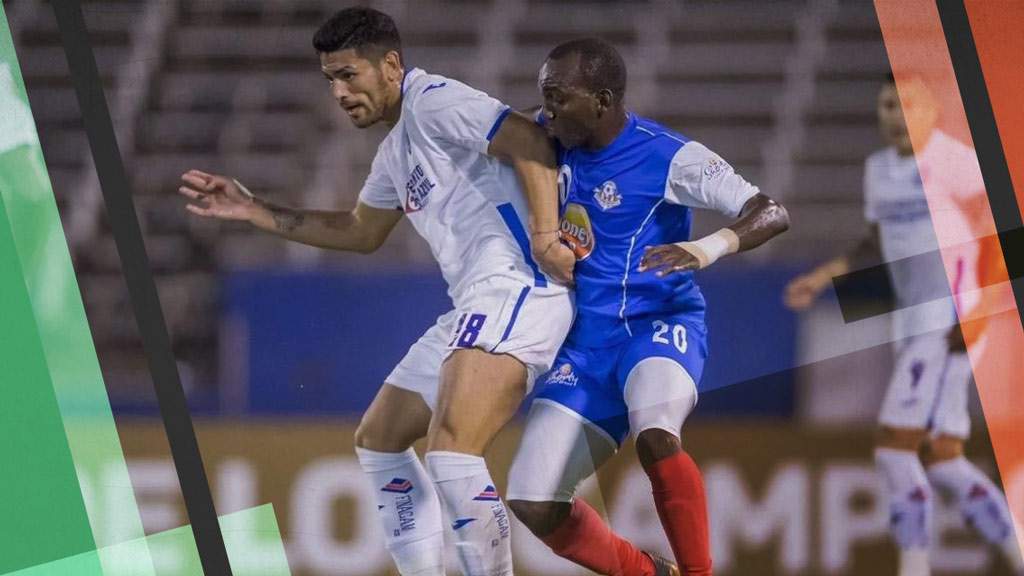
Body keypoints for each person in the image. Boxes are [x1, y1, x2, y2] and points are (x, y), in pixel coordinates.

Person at [178, 7, 574, 576]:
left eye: (348, 75)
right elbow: (360, 232)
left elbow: (530, 139)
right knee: (380, 437)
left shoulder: (432, 99)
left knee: (452, 452)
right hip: (478, 303)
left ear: (390, 65)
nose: (337, 92)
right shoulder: (395, 151)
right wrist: (253, 209)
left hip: (519, 289)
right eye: (329, 80)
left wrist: (543, 237)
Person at [504, 38, 790, 576]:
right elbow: (493, 129)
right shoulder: (546, 138)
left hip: (658, 327)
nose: (547, 110)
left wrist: (706, 248)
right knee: (532, 500)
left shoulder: (668, 156)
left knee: (655, 433)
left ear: (603, 100)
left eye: (558, 98)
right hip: (585, 348)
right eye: (544, 97)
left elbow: (770, 211)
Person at [784, 73, 1022, 576]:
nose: (895, 115)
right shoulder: (878, 171)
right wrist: (824, 276)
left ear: (930, 110)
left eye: (906, 104)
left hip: (950, 319)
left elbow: (1001, 229)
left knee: (893, 449)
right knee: (943, 456)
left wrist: (981, 310)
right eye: (888, 106)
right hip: (911, 322)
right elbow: (877, 240)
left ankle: (913, 567)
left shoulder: (955, 160)